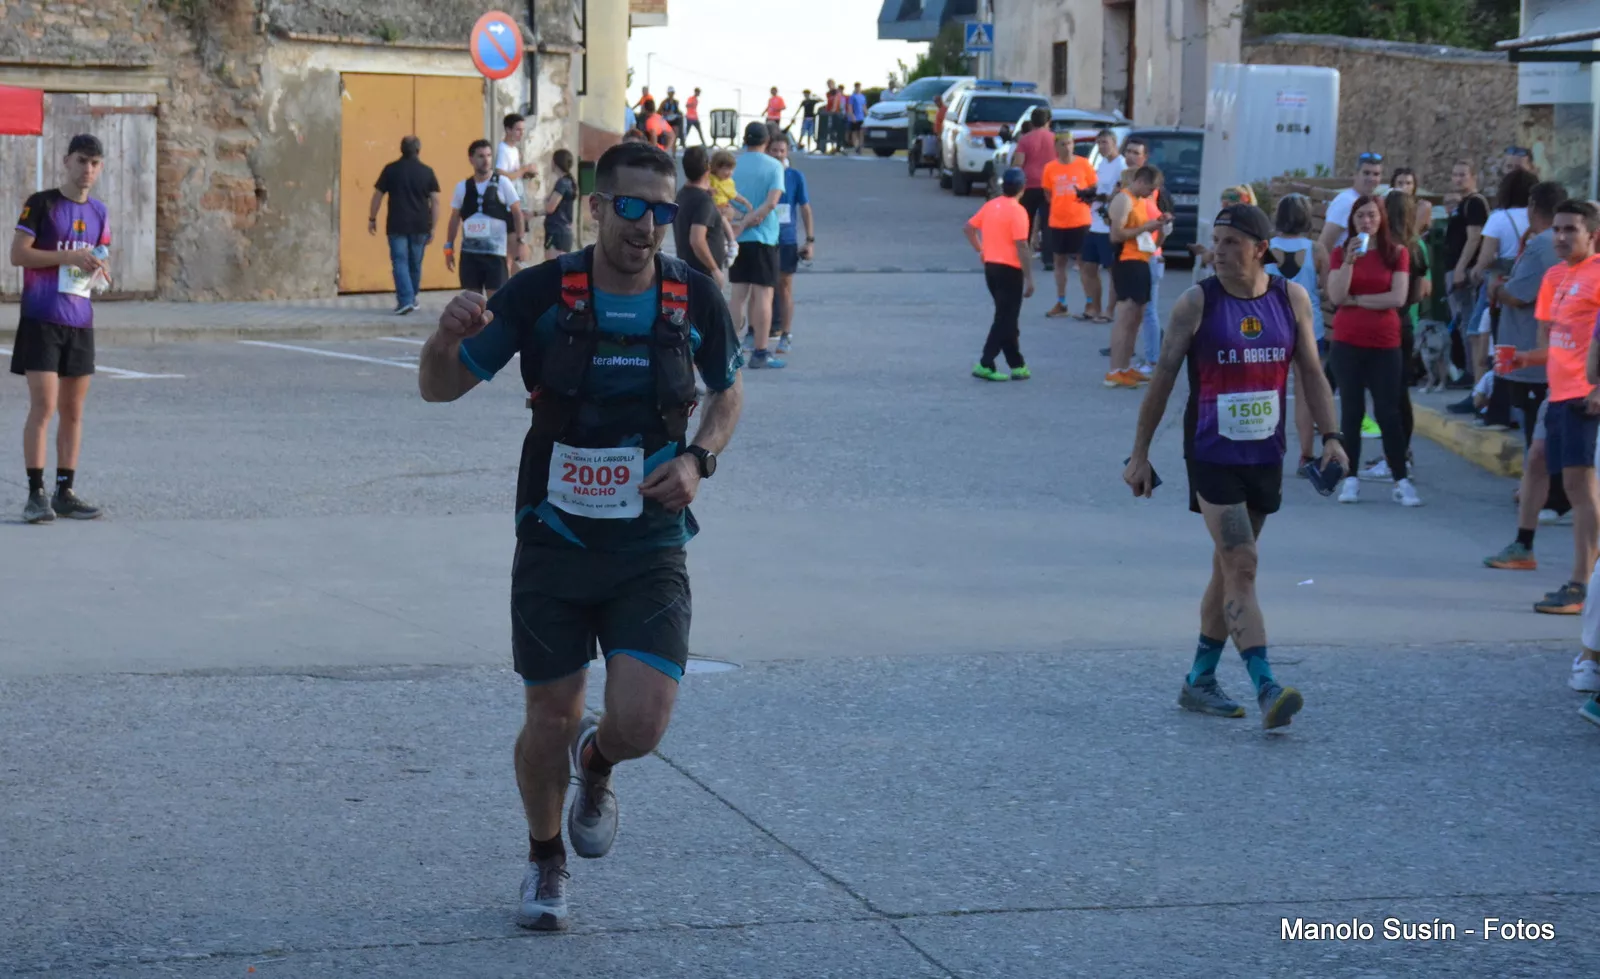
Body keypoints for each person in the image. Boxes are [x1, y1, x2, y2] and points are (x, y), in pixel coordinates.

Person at [418, 139, 743, 933]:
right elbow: (440, 388)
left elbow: (728, 394)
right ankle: (544, 856)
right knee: (550, 716)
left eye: (661, 211)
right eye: (631, 207)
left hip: (649, 544)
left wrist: (699, 459)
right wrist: (442, 337)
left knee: (642, 722)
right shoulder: (542, 293)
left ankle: (596, 763)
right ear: (597, 207)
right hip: (554, 538)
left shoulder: (693, 296)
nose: (646, 226)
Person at [1123, 204, 1347, 729]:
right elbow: (1163, 379)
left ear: (1260, 249)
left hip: (1264, 454)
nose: (1217, 251)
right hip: (1211, 452)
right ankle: (1267, 686)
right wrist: (1140, 453)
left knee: (1229, 568)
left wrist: (1332, 438)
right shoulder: (1196, 303)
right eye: (1216, 240)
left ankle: (1199, 680)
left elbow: (1312, 373)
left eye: (1231, 242)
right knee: (1242, 562)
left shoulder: (1290, 299)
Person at [1504, 201, 1600, 619]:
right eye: (1557, 229)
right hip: (1558, 394)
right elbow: (1556, 344)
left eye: (1571, 230)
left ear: (1592, 235)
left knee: (1580, 488)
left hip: (1585, 396)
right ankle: (1527, 548)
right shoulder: (1555, 276)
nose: (1560, 237)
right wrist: (1524, 359)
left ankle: (1581, 584)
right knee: (1547, 466)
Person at [9, 133, 111, 524]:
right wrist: (67, 257)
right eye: (82, 161)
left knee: (73, 410)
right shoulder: (42, 203)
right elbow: (18, 255)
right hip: (42, 318)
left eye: (95, 163)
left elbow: (101, 255)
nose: (88, 169)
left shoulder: (100, 212)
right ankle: (36, 495)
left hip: (79, 321)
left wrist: (101, 270)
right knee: (44, 406)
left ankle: (64, 491)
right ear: (67, 161)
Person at [1482, 180, 1568, 574]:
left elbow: (1520, 294)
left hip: (1540, 362)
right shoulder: (1553, 249)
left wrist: (1497, 289)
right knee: (1539, 440)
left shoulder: (1542, 246)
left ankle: (1553, 500)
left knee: (1540, 439)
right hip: (1541, 357)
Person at [1326, 194, 1420, 506]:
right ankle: (1350, 479)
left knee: (1388, 412)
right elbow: (1337, 295)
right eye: (1360, 216)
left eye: (1372, 215)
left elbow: (1397, 297)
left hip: (1385, 343)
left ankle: (1401, 479)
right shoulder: (1341, 253)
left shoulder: (1397, 253)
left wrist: (1358, 300)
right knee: (1352, 412)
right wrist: (1350, 262)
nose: (1366, 222)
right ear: (1352, 221)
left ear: (1382, 219)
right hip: (1347, 341)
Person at [1357, 189, 1429, 482]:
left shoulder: (1389, 250)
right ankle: (1400, 454)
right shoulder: (1416, 247)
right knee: (1399, 396)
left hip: (1386, 326)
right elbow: (1419, 293)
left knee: (1386, 399)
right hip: (1406, 323)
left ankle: (1394, 459)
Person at [1458, 169, 1538, 410]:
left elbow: (1486, 257)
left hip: (1500, 282)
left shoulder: (1499, 218)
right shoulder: (1536, 217)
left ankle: (1480, 393)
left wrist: (1474, 271)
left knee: (1477, 333)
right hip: (1530, 281)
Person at [1266, 194, 1331, 477]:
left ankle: (1266, 452)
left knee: (1269, 392)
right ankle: (1306, 455)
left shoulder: (1265, 248)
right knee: (1306, 394)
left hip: (1272, 326)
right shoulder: (1317, 250)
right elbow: (1328, 291)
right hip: (1309, 327)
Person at [964, 167, 1035, 382]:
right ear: (1023, 188)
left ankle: (1017, 364)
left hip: (991, 268)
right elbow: (1021, 245)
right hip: (1010, 270)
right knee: (1005, 319)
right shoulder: (1018, 211)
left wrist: (981, 250)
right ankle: (986, 362)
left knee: (1007, 317)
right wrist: (1029, 277)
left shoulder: (991, 205)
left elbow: (969, 228)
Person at [729, 122, 787, 368]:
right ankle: (761, 351)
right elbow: (772, 202)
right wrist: (752, 220)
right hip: (764, 237)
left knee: (738, 295)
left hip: (737, 236)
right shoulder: (774, 166)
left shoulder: (734, 165)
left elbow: (724, 199)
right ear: (766, 141)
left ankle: (730, 349)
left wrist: (740, 221)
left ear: (745, 140)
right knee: (764, 294)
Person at [1104, 165, 1165, 389]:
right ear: (1140, 181)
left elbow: (1149, 240)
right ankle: (1114, 370)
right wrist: (1145, 228)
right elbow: (1116, 235)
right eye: (1150, 188)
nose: (1151, 193)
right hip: (1126, 261)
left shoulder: (1140, 201)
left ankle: (1125, 367)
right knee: (1125, 316)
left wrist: (1160, 228)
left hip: (1142, 260)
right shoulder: (1124, 199)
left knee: (1136, 317)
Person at [444, 139, 527, 298]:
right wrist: (448, 248)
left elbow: (517, 213)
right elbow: (454, 219)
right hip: (470, 255)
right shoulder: (462, 187)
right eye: (481, 156)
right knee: (472, 301)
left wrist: (520, 241)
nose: (486, 160)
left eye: (489, 155)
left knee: (495, 301)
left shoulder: (503, 183)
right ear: (471, 159)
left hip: (495, 255)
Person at [370, 135, 441, 315]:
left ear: (401, 149)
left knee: (400, 262)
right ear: (418, 150)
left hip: (397, 224)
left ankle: (406, 299)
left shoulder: (391, 170)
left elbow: (377, 196)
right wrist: (433, 227)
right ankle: (411, 297)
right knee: (415, 263)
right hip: (420, 225)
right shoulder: (427, 172)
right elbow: (435, 201)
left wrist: (372, 218)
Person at [1123, 137, 1173, 377]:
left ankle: (1153, 361)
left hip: (1148, 259)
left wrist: (1155, 248)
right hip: (1146, 258)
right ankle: (1148, 357)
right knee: (1142, 311)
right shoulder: (1142, 202)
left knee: (1148, 311)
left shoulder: (1147, 202)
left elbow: (1163, 228)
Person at [1037, 133, 1097, 318]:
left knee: (1083, 263)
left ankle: (1090, 303)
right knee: (1059, 262)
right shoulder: (1050, 168)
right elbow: (1048, 194)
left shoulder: (1084, 164)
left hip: (1081, 221)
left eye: (1070, 143)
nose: (1067, 147)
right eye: (1063, 144)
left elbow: (1093, 189)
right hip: (1058, 221)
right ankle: (1061, 302)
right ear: (1056, 147)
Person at [1444, 159, 1490, 384]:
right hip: (1455, 267)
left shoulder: (1475, 203)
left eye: (1463, 174)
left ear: (1473, 177)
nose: (1458, 179)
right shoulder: (1463, 204)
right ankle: (1468, 369)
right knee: (1462, 319)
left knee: (1468, 320)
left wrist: (1461, 268)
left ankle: (1472, 372)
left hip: (1465, 270)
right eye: (1455, 174)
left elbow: (1474, 238)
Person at [768, 130, 812, 355]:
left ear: (787, 152)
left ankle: (786, 334)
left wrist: (810, 240)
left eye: (781, 151)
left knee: (784, 287)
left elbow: (805, 208)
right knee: (761, 288)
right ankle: (756, 333)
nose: (778, 154)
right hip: (764, 237)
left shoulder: (795, 176)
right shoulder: (764, 174)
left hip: (786, 240)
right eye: (774, 150)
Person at [1079, 129, 1127, 324]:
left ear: (1115, 143)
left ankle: (1109, 310)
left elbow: (1120, 192)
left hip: (1109, 225)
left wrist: (1102, 197)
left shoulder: (1121, 164)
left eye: (1105, 142)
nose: (1101, 147)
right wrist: (1088, 193)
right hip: (1094, 222)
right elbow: (1101, 188)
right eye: (1098, 143)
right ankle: (1094, 308)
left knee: (1112, 271)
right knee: (1088, 267)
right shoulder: (1102, 163)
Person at [673, 146, 727, 285]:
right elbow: (697, 240)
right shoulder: (703, 200)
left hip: (688, 270)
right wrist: (714, 269)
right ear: (708, 167)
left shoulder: (682, 194)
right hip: (703, 274)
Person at [1011, 107, 1056, 269]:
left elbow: (1018, 163)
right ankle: (1048, 259)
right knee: (1048, 222)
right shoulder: (1054, 139)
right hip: (1050, 185)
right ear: (1048, 121)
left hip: (1028, 185)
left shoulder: (1025, 139)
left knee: (1026, 221)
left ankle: (1022, 255)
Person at [1318, 152, 1385, 256]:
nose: (1371, 178)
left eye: (1376, 174)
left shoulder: (1372, 201)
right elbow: (1324, 244)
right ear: (1356, 174)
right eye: (1366, 173)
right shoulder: (1345, 201)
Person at [707, 149, 747, 255]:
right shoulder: (711, 178)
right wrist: (709, 189)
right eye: (725, 169)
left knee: (723, 220)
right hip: (715, 209)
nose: (729, 173)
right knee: (721, 222)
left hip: (723, 208)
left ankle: (731, 242)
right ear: (716, 167)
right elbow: (705, 186)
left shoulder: (729, 182)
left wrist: (745, 202)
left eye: (731, 169)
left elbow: (734, 194)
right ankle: (729, 242)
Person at [541, 149, 578, 259]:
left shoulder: (562, 183)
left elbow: (550, 208)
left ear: (555, 162)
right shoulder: (569, 182)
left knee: (552, 268)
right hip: (564, 232)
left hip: (557, 232)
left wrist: (535, 212)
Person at [497, 114, 537, 184]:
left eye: (523, 129)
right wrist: (524, 169)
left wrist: (527, 173)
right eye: (518, 130)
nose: (522, 133)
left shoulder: (514, 149)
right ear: (508, 130)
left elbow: (514, 175)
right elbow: (501, 176)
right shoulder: (502, 149)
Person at [847, 83, 867, 154]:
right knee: (854, 132)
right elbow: (850, 106)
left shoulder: (863, 97)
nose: (858, 88)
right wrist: (852, 116)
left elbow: (864, 107)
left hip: (861, 117)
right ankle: (855, 147)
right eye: (856, 87)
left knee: (861, 132)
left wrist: (867, 114)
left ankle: (860, 147)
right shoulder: (852, 97)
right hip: (855, 117)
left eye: (859, 87)